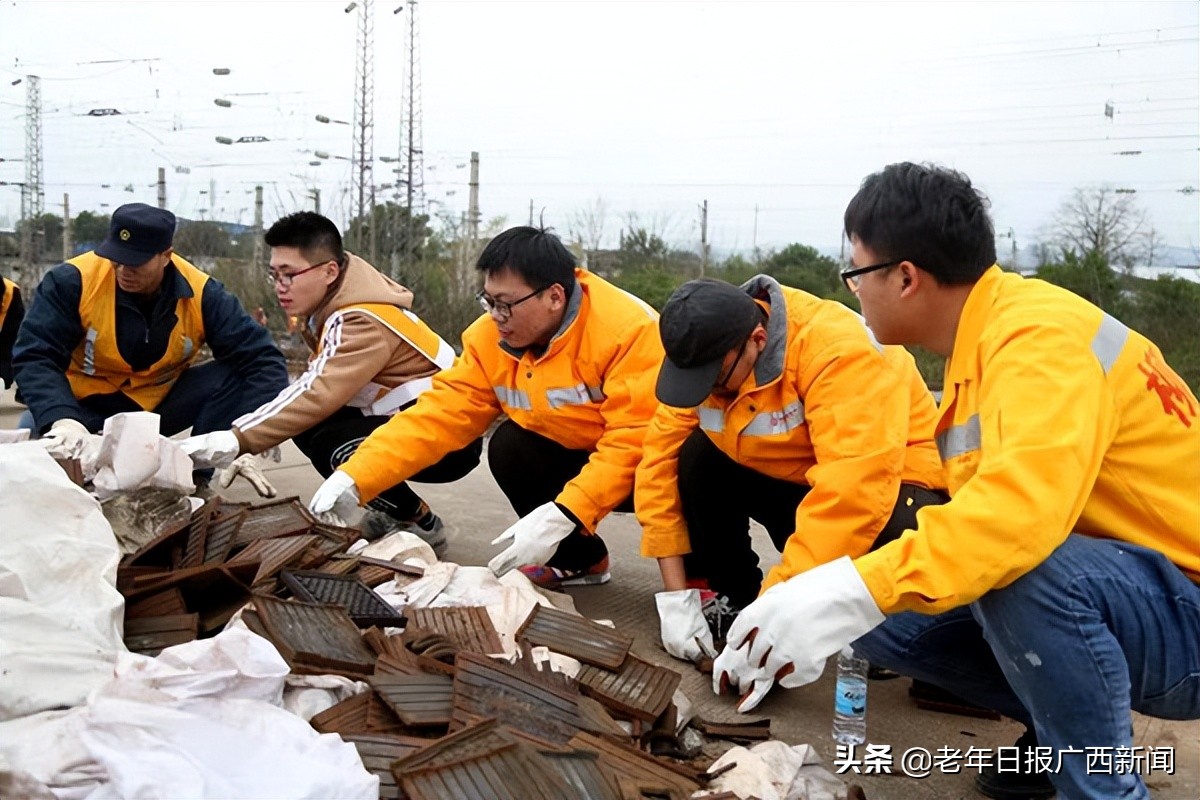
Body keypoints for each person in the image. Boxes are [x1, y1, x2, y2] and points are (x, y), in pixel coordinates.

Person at [712, 162, 1199, 800]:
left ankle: (1103, 785)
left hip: (1184, 611)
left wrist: (849, 589)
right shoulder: (982, 348)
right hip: (1132, 592)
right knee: (878, 622)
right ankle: (1056, 742)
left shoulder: (1038, 343)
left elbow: (1012, 522)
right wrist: (807, 599)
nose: (853, 292)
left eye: (856, 273)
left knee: (1025, 572)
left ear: (906, 277)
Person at [308, 225, 663, 587]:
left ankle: (704, 581)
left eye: (505, 304)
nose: (495, 316)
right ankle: (580, 559)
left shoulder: (626, 332)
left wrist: (568, 511)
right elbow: (438, 414)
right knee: (511, 446)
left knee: (692, 469)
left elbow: (635, 439)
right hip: (580, 453)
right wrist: (357, 476)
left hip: (650, 465)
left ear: (555, 297)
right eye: (488, 300)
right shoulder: (489, 339)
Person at [637, 276, 946, 664]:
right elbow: (657, 464)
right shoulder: (707, 355)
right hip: (800, 485)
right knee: (697, 456)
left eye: (715, 380)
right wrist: (674, 597)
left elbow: (852, 494)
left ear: (758, 339)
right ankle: (737, 597)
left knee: (897, 521)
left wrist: (773, 611)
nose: (708, 393)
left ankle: (881, 623)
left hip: (893, 491)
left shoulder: (837, 351)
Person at [180, 212, 481, 550]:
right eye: (274, 274)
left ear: (330, 271)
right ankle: (393, 514)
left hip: (448, 440)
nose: (280, 286)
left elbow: (317, 394)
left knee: (334, 448)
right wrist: (265, 426)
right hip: (411, 422)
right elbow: (312, 384)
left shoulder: (361, 321)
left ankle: (420, 522)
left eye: (290, 275)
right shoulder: (336, 308)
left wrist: (238, 439)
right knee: (307, 428)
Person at [12, 203, 288, 477]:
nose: (123, 270)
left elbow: (264, 361)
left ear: (166, 256)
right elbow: (35, 355)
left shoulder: (204, 294)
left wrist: (245, 437)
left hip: (152, 410)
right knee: (38, 448)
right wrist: (61, 417)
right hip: (80, 407)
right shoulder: (71, 282)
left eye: (136, 262)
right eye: (117, 259)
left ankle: (197, 478)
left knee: (234, 374)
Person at [0, 276, 24, 391]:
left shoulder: (12, 293)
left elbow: (10, 341)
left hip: (7, 333)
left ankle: (25, 390)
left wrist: (4, 373)